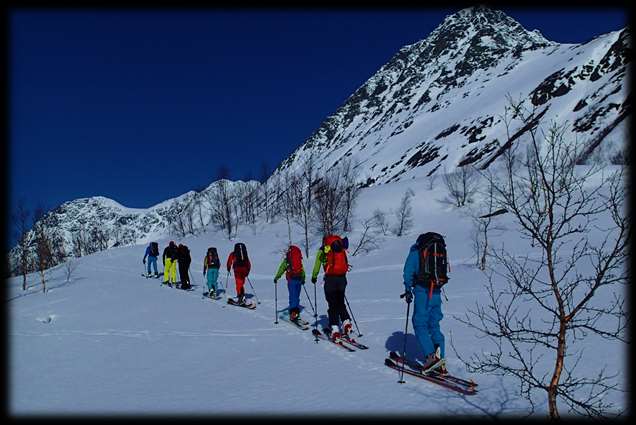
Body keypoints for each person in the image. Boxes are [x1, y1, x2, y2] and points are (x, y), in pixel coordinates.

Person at [402, 232, 449, 374]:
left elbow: (408, 272)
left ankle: (431, 358)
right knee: (434, 324)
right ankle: (440, 360)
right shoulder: (438, 249)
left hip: (423, 292)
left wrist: (408, 288)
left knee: (420, 323)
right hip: (436, 291)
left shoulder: (416, 250)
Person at [311, 234, 352, 342]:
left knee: (332, 304)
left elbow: (317, 265)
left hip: (330, 280)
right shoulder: (340, 248)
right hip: (342, 279)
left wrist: (314, 276)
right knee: (340, 302)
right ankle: (346, 322)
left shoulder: (323, 251)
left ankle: (335, 329)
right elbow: (346, 263)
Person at [274, 245, 306, 323]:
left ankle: (293, 313)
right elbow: (302, 269)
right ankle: (296, 312)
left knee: (292, 296)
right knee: (297, 296)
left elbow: (281, 268)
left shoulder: (287, 260)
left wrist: (277, 277)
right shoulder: (298, 259)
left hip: (291, 280)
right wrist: (303, 279)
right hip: (299, 279)